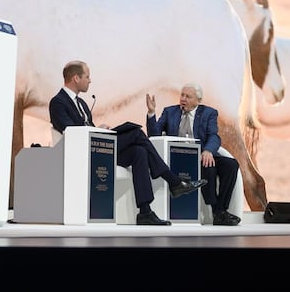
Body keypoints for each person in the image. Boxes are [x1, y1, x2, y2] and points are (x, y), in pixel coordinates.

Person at [49, 60, 206, 226]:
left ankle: (145, 212)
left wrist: (100, 129)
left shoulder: (81, 103)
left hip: (99, 148)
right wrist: (96, 132)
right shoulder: (58, 102)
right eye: (87, 77)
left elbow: (86, 128)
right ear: (75, 78)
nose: (90, 80)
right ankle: (174, 181)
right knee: (137, 133)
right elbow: (70, 130)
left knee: (139, 152)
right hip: (84, 151)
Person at [145, 83, 241, 226]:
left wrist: (208, 151)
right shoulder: (170, 112)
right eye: (182, 95)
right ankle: (218, 211)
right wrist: (151, 113)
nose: (183, 99)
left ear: (198, 100)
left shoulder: (209, 113)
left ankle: (221, 209)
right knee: (209, 168)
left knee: (231, 164)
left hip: (201, 155)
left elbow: (214, 136)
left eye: (188, 96)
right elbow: (154, 135)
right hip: (177, 157)